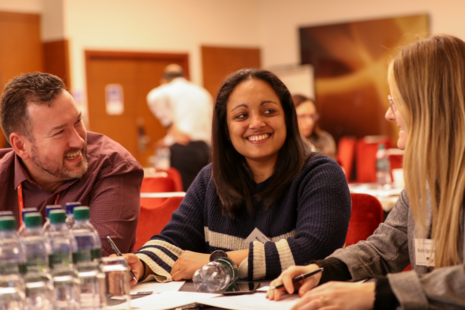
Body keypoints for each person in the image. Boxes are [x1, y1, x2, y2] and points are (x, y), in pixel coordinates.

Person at [267, 35, 465, 309]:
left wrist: (378, 293)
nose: (388, 114)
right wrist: (323, 269)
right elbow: (384, 248)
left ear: (428, 105)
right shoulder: (425, 181)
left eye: (395, 101)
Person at [123, 68, 351, 286]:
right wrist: (141, 263)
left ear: (287, 118)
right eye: (241, 115)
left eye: (269, 111)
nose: (256, 123)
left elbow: (315, 248)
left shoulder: (321, 173)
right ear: (225, 128)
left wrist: (219, 262)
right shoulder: (210, 179)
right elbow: (174, 240)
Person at [0, 72, 143, 256]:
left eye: (77, 122)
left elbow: (99, 259)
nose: (79, 142)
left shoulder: (112, 165)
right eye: (59, 132)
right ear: (20, 145)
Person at [147, 64, 213, 191]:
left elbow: (152, 97)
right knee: (205, 193)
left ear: (164, 81)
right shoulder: (202, 92)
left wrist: (170, 124)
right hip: (205, 149)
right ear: (185, 77)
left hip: (184, 150)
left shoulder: (168, 89)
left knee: (186, 197)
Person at [292, 94, 336, 159]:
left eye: (312, 116)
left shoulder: (324, 139)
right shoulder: (283, 142)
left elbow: (328, 167)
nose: (310, 122)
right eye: (302, 116)